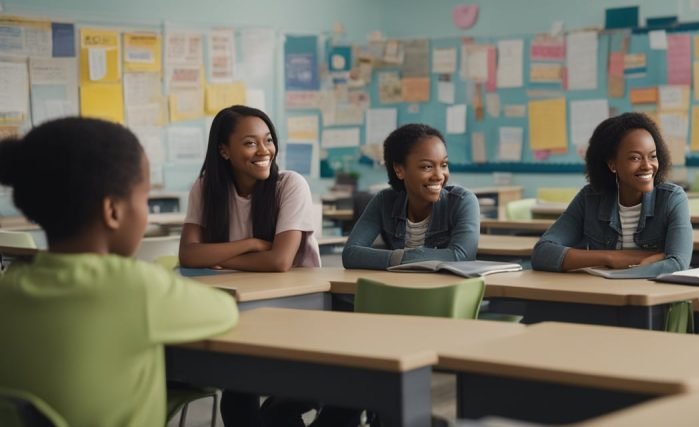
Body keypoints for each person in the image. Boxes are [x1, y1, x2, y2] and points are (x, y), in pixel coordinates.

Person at [0, 118, 238, 426]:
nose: (147, 210)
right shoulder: (138, 287)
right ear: (112, 211)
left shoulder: (8, 288)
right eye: (144, 198)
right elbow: (225, 312)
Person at [177, 105, 320, 426]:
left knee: (273, 404)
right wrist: (251, 244)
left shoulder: (290, 185)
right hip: (239, 312)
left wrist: (216, 255)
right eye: (250, 143)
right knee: (238, 395)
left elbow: (280, 261)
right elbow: (187, 255)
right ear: (224, 150)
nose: (264, 150)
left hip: (296, 313)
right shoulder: (205, 188)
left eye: (268, 140)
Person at [532, 112, 693, 277]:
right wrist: (612, 258)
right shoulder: (590, 199)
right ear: (612, 164)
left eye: (652, 156)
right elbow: (542, 253)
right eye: (635, 158)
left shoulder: (672, 199)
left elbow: (678, 264)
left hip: (654, 295)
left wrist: (616, 274)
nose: (647, 166)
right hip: (604, 295)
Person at [342, 123, 479, 270]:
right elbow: (351, 254)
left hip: (444, 290)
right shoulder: (385, 201)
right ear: (399, 169)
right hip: (400, 289)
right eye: (427, 166)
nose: (439, 176)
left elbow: (461, 257)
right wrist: (405, 258)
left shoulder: (463, 201)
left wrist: (396, 258)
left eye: (444, 164)